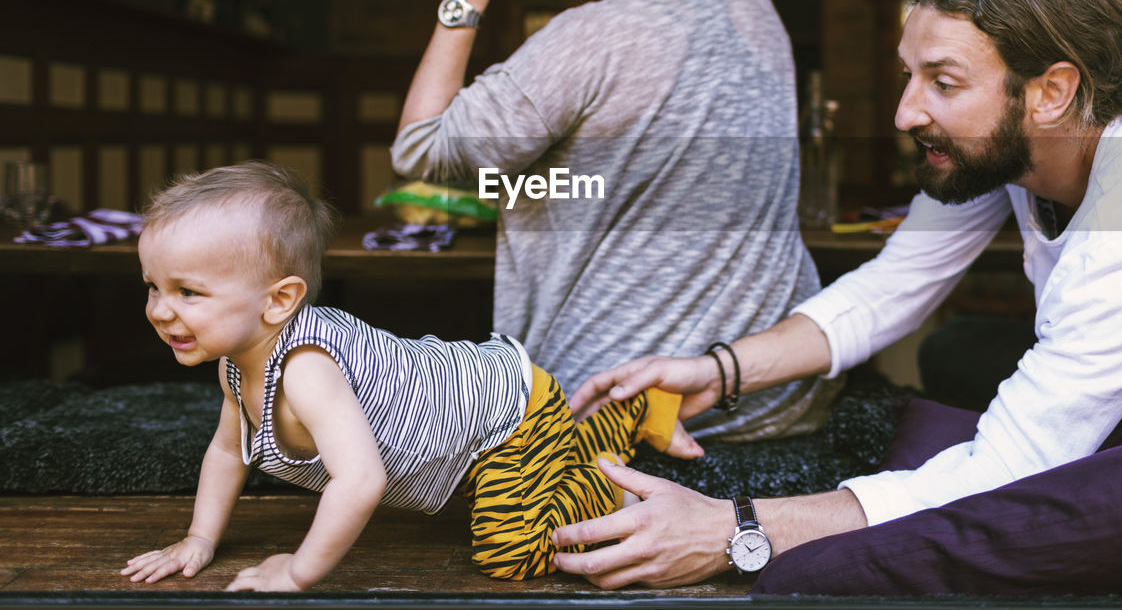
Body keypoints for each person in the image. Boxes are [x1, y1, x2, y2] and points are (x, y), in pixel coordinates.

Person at [554, 0, 1122, 589]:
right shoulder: (1022, 136)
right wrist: (719, 370)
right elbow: (896, 283)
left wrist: (737, 526)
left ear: (1052, 90)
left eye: (943, 81)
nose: (905, 111)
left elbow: (1006, 469)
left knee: (995, 477)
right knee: (953, 356)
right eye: (909, 75)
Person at [390, 0, 842, 442]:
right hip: (775, 393)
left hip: (614, 402)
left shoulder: (592, 34)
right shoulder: (753, 3)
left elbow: (420, 148)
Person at [119, 161, 695, 592]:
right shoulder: (236, 365)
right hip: (479, 418)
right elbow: (227, 451)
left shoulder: (305, 368)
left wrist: (298, 573)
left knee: (510, 553)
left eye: (187, 292)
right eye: (153, 285)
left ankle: (614, 467)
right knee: (522, 486)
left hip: (509, 417)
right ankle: (633, 412)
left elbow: (360, 480)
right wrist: (199, 538)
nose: (160, 310)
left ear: (279, 302)